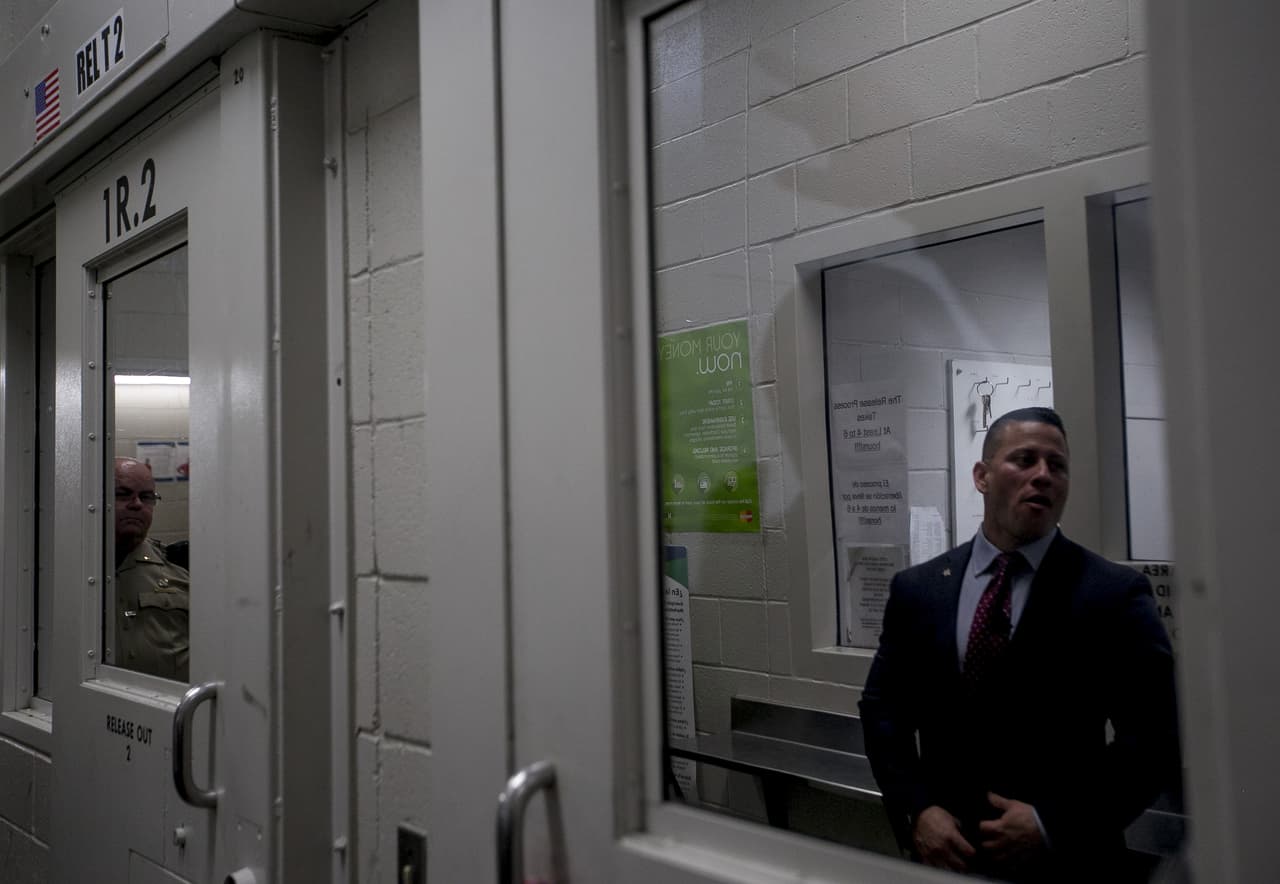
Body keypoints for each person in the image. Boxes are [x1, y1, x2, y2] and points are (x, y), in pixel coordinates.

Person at [859, 407, 1178, 882]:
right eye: (1024, 460)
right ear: (982, 476)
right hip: (948, 860)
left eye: (1057, 465)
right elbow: (884, 711)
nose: (1043, 475)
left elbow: (1155, 737)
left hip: (1066, 865)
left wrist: (1054, 824)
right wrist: (918, 808)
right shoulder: (920, 590)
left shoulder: (1111, 594)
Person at [113, 456, 190, 681]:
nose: (137, 504)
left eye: (147, 497)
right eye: (122, 494)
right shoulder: (69, 570)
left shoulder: (179, 569)